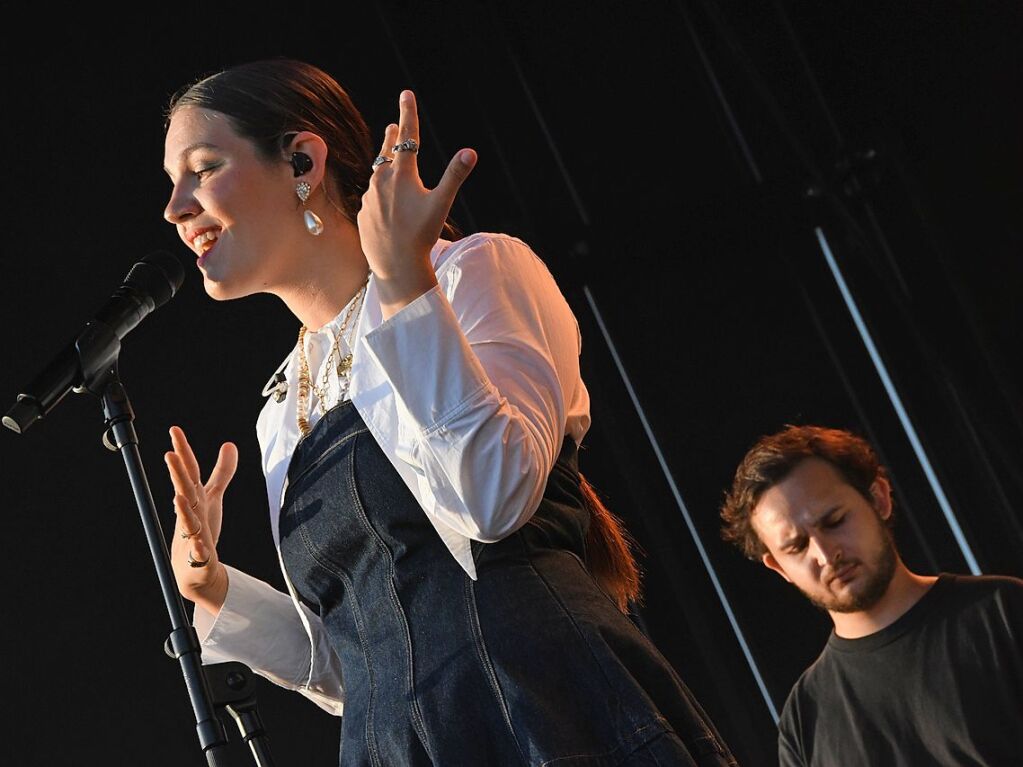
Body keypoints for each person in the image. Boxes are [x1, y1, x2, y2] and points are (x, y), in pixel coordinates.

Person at [160, 57, 737, 766]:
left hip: (540, 708)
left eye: (203, 168)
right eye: (172, 184)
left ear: (302, 160)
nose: (176, 206)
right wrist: (217, 590)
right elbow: (359, 663)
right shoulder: (283, 405)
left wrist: (406, 288)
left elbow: (493, 500)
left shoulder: (474, 272)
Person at [719, 423, 1023, 766]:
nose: (824, 552)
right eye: (797, 546)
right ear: (779, 568)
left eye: (834, 521)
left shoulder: (1004, 613)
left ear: (878, 498)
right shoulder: (805, 719)